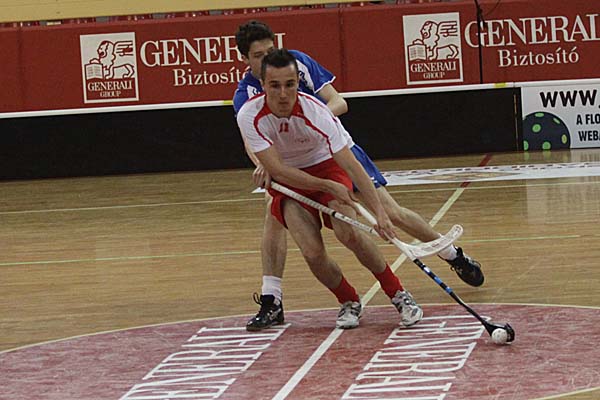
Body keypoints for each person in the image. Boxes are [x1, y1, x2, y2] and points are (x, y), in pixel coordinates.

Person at [233, 20, 484, 331]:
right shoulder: (246, 99)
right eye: (258, 56)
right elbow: (253, 143)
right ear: (246, 60)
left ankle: (450, 254)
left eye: (270, 51)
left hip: (332, 151)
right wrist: (266, 163)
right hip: (289, 169)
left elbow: (338, 103)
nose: (281, 90)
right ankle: (279, 298)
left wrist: (314, 122)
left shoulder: (300, 72)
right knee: (295, 236)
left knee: (388, 214)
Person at [237, 48, 423, 329]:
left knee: (349, 234)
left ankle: (398, 294)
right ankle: (349, 300)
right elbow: (277, 170)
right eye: (275, 86)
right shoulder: (249, 115)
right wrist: (325, 187)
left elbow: (352, 166)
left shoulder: (317, 112)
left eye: (290, 84)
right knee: (312, 252)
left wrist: (380, 213)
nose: (284, 94)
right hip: (290, 180)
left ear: (298, 83)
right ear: (262, 85)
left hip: (327, 166)